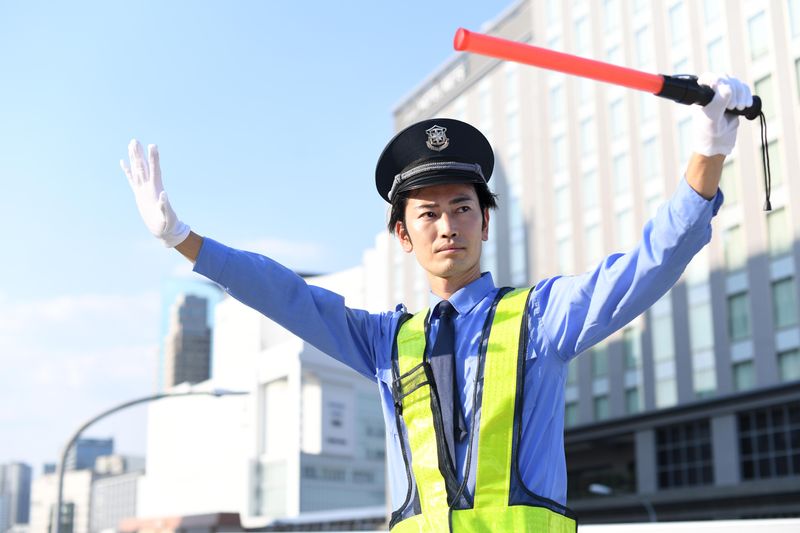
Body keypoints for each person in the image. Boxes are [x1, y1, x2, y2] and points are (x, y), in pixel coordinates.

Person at [122, 74, 752, 532]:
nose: (448, 226)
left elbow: (649, 263)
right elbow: (287, 296)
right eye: (428, 213)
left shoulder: (541, 318)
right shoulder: (384, 343)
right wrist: (185, 240)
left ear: (485, 221)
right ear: (403, 235)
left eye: (462, 208)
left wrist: (709, 152)